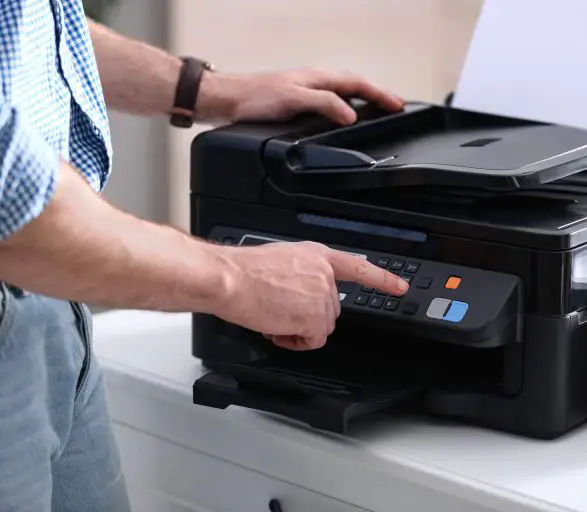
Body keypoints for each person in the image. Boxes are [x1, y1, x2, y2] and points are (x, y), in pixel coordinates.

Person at [0, 1, 410, 510]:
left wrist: (209, 90)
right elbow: (11, 204)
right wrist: (237, 278)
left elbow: (33, 27)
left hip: (55, 312)